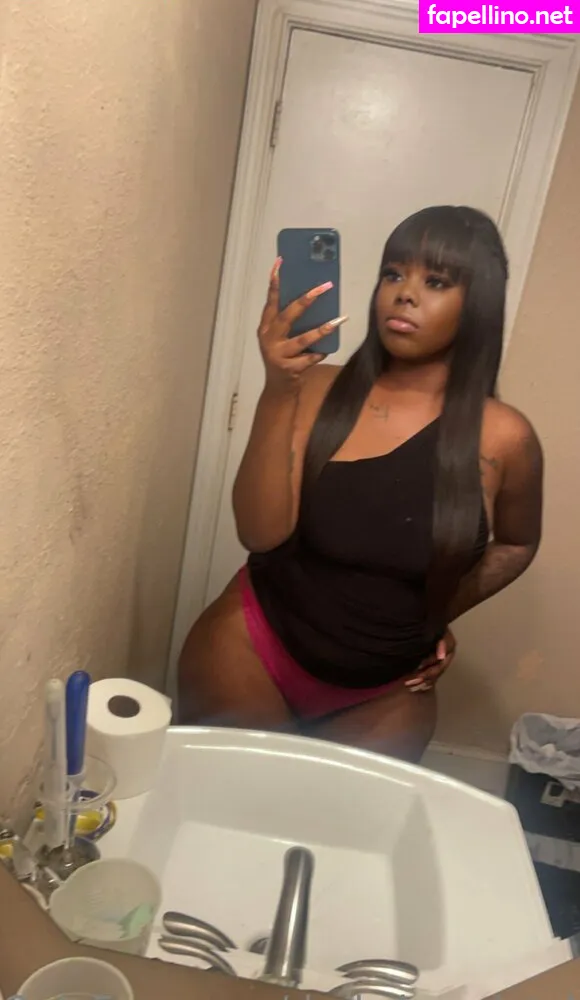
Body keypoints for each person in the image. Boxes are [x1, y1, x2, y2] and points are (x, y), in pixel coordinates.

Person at [178, 205, 543, 763]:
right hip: (253, 650)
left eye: (436, 281)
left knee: (345, 818)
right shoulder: (316, 389)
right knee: (232, 805)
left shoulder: (506, 438)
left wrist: (437, 612)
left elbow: (517, 543)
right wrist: (278, 387)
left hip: (387, 691)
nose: (404, 294)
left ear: (479, 303)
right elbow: (259, 533)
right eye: (393, 274)